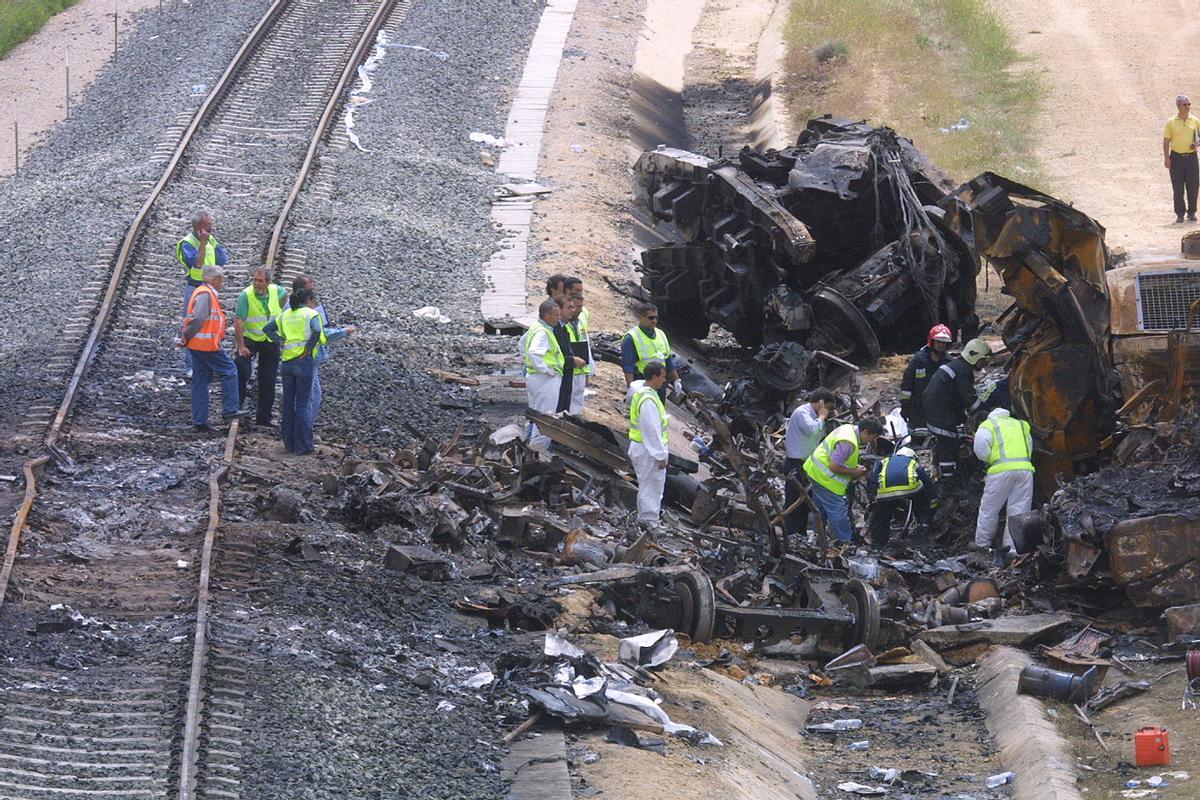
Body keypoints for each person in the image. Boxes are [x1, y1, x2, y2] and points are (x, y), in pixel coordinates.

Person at [178, 265, 250, 432]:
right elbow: (198, 319)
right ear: (215, 279)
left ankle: (200, 421)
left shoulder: (204, 292)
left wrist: (187, 337)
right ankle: (230, 410)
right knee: (230, 370)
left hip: (198, 345)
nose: (222, 283)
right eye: (221, 279)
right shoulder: (205, 294)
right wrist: (186, 336)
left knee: (200, 380)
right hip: (205, 345)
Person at [802, 417, 885, 543]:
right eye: (872, 437)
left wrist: (853, 467)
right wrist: (854, 472)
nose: (871, 441)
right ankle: (845, 544)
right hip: (825, 479)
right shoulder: (848, 442)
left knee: (819, 510)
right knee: (838, 513)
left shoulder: (847, 428)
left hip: (815, 471)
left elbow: (837, 458)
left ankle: (817, 538)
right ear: (865, 431)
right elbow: (834, 466)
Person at [263, 287, 325, 455]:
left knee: (288, 404)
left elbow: (267, 329)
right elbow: (317, 331)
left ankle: (289, 443)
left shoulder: (286, 314)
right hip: (304, 362)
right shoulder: (310, 314)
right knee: (303, 404)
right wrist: (308, 348)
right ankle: (303, 445)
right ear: (310, 300)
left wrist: (281, 340)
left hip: (287, 362)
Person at [922, 338, 990, 481]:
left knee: (948, 441)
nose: (984, 363)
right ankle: (948, 484)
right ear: (975, 357)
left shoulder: (956, 366)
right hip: (941, 414)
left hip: (935, 410)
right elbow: (972, 404)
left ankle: (945, 476)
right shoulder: (964, 371)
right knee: (948, 444)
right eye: (983, 360)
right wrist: (989, 407)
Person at [291, 274, 356, 423]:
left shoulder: (292, 309)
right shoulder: (307, 312)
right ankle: (304, 430)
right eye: (311, 285)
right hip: (307, 358)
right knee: (312, 396)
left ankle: (297, 430)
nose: (314, 287)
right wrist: (343, 332)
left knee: (303, 395)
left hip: (295, 357)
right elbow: (320, 333)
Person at [972, 406, 1035, 560]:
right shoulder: (1021, 425)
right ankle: (1012, 549)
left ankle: (983, 545)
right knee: (1019, 510)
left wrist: (990, 459)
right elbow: (1030, 446)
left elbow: (980, 449)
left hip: (1000, 471)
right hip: (1025, 470)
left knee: (989, 509)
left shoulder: (988, 425)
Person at [521, 299, 584, 449]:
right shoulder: (543, 332)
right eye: (555, 315)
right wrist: (547, 370)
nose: (558, 317)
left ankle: (529, 446)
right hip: (545, 379)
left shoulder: (538, 327)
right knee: (546, 417)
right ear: (547, 315)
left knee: (537, 415)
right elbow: (535, 352)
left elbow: (522, 345)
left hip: (536, 377)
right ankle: (539, 452)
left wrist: (529, 364)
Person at [176, 210, 230, 375]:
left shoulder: (211, 239)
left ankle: (209, 361)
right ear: (199, 227)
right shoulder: (187, 243)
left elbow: (222, 259)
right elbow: (197, 264)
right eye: (208, 225)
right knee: (192, 323)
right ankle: (191, 367)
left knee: (212, 324)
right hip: (195, 288)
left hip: (210, 288)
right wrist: (203, 243)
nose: (211, 228)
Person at [234, 267, 286, 427]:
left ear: (268, 283)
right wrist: (241, 346)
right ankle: (236, 408)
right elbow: (239, 322)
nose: (256, 283)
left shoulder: (278, 292)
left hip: (270, 340)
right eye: (254, 280)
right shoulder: (246, 295)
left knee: (268, 378)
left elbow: (283, 303)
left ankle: (264, 417)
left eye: (260, 281)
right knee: (241, 370)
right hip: (251, 337)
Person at [783, 388, 837, 537]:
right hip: (795, 462)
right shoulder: (802, 413)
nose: (829, 411)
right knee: (794, 500)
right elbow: (812, 430)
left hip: (807, 464)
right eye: (829, 407)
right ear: (821, 403)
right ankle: (791, 533)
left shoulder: (812, 416)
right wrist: (821, 417)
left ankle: (800, 534)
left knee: (806, 502)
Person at [866, 446, 934, 550]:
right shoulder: (913, 463)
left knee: (882, 516)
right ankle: (923, 526)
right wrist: (932, 505)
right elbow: (927, 483)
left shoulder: (884, 461)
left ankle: (878, 545)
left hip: (885, 491)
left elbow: (873, 478)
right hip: (911, 489)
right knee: (921, 500)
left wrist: (875, 495)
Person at [627, 361, 670, 526]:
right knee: (651, 487)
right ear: (654, 376)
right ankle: (648, 523)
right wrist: (660, 455)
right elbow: (651, 430)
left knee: (648, 486)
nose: (664, 380)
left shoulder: (643, 392)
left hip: (642, 448)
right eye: (663, 377)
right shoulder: (648, 400)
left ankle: (645, 520)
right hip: (647, 450)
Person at [621, 302, 680, 403]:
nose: (654, 321)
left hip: (660, 384)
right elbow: (628, 368)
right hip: (643, 382)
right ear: (640, 317)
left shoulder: (661, 334)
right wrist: (630, 389)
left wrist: (676, 380)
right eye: (650, 318)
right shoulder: (631, 338)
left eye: (656, 318)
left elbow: (668, 361)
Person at [900, 324, 953, 429]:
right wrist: (905, 406)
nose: (941, 345)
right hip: (918, 410)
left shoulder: (949, 362)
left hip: (940, 411)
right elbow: (907, 386)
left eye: (944, 342)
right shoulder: (918, 361)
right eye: (938, 342)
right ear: (932, 341)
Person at [1164, 94, 1200, 223]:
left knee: (1193, 185)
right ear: (1178, 106)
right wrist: (1166, 158)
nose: (1188, 107)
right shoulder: (1171, 122)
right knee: (1178, 187)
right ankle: (1180, 214)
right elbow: (1166, 140)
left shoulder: (1195, 121)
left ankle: (1192, 212)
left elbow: (1199, 137)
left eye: (1189, 104)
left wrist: (1196, 144)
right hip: (1176, 157)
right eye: (1185, 104)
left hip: (1191, 158)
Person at [562, 293, 593, 414]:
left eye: (581, 307)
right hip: (569, 371)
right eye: (576, 307)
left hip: (580, 370)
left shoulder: (580, 323)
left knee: (577, 406)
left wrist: (587, 374)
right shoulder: (562, 326)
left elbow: (586, 347)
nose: (580, 310)